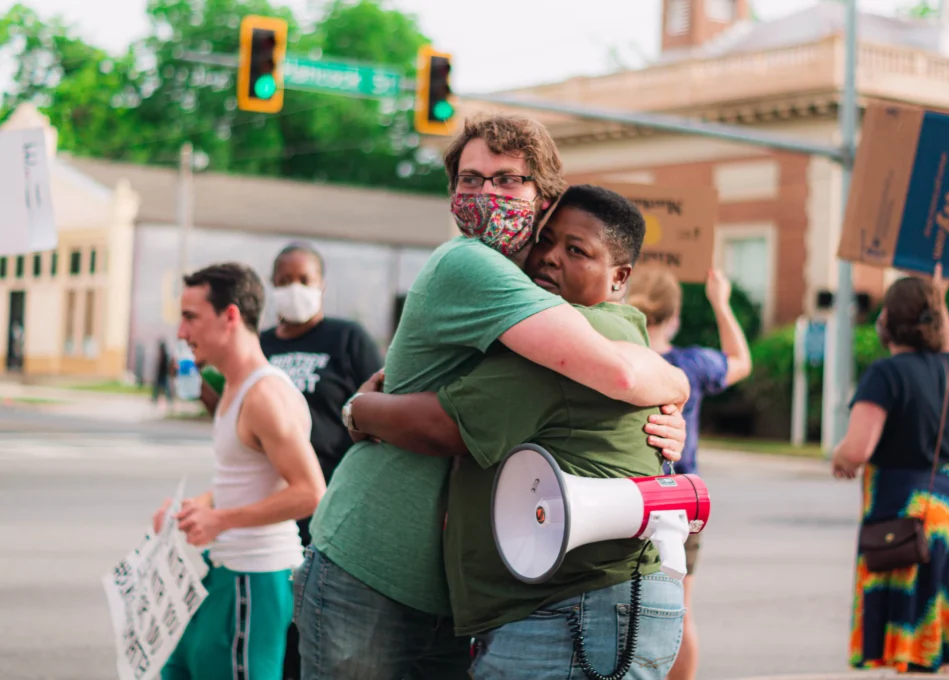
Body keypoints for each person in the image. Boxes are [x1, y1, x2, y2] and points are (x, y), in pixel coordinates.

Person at [296, 114, 691, 679]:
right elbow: (617, 374)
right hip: (373, 563)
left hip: (450, 596)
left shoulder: (534, 285)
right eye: (470, 179)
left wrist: (673, 395)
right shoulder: (470, 262)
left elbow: (602, 375)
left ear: (544, 199)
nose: (486, 194)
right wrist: (678, 384)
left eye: (507, 180)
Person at [155, 262, 327, 680]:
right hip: (225, 571)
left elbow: (311, 492)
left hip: (256, 578)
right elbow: (245, 479)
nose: (181, 332)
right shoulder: (234, 384)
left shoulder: (264, 395)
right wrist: (197, 506)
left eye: (191, 317)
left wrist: (219, 519)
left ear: (230, 316)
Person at [831, 265, 949, 673]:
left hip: (907, 513)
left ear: (888, 322)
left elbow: (858, 448)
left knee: (909, 628)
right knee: (941, 616)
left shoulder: (885, 373)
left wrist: (840, 458)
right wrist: (940, 299)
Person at [626, 265, 752, 680]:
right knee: (679, 611)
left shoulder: (619, 358)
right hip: (680, 502)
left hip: (623, 499)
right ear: (674, 317)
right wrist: (720, 301)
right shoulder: (692, 364)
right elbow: (740, 361)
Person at [152, 340, 176, 409]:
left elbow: (166, 366)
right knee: (157, 390)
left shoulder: (165, 356)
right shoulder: (162, 356)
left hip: (164, 376)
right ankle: (155, 401)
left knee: (165, 390)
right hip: (160, 376)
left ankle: (170, 402)